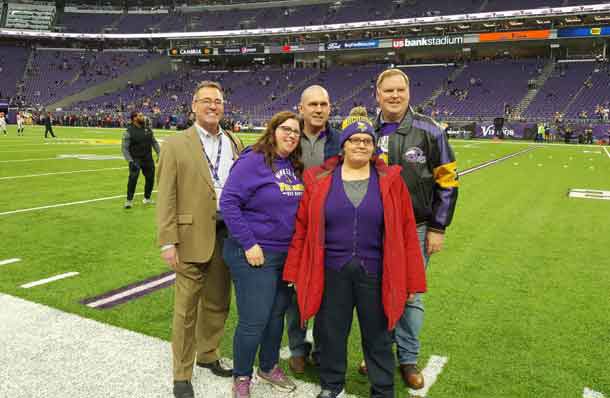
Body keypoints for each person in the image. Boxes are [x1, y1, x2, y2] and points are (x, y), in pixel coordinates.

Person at [283, 113, 426, 398]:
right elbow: (302, 229)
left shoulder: (391, 180)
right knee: (331, 334)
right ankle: (331, 384)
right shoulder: (319, 178)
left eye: (366, 141)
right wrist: (295, 272)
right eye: (354, 140)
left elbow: (408, 233)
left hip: (376, 272)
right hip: (331, 272)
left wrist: (412, 281)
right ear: (344, 145)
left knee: (379, 336)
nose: (360, 145)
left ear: (374, 147)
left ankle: (383, 389)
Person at [363, 68, 458, 390]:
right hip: (373, 228)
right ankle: (378, 352)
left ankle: (407, 358)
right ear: (377, 95)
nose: (393, 96)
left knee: (411, 295)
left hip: (416, 228)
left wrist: (438, 227)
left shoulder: (430, 130)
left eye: (399, 91)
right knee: (377, 292)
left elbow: (448, 182)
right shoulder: (364, 132)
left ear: (408, 93)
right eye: (387, 91)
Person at [157, 81, 243, 398]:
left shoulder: (233, 140)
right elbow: (165, 195)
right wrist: (168, 241)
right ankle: (182, 374)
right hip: (190, 235)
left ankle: (208, 354)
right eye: (205, 100)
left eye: (217, 101)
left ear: (223, 106)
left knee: (219, 301)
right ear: (193, 105)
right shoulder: (176, 144)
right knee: (185, 309)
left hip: (227, 233)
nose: (212, 105)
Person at [221, 111, 303, 398]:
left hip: (284, 256)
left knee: (276, 316)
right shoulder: (253, 160)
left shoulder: (292, 165)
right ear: (273, 130)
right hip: (255, 253)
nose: (292, 135)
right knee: (254, 319)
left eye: (296, 131)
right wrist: (248, 243)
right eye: (287, 129)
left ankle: (267, 367)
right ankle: (241, 376)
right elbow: (228, 202)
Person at [286, 84, 341, 374]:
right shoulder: (287, 136)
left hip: (328, 229)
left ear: (330, 107)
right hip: (291, 227)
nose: (319, 109)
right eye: (313, 105)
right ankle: (297, 348)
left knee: (327, 295)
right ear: (301, 107)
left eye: (324, 104)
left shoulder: (340, 141)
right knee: (294, 292)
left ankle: (321, 348)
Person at [122, 111, 160, 209]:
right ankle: (129, 200)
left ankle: (147, 198)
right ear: (134, 118)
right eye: (140, 116)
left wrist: (159, 154)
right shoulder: (128, 131)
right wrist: (130, 161)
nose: (143, 117)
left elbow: (154, 143)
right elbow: (124, 148)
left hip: (148, 158)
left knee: (150, 178)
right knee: (133, 178)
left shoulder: (148, 129)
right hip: (135, 159)